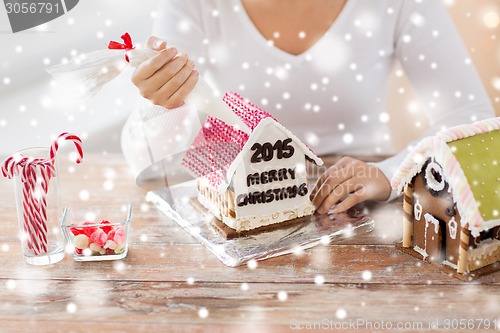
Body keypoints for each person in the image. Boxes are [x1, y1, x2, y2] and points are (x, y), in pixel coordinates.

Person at [121, 0, 494, 214]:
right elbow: (145, 166)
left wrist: (391, 174)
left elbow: (473, 122)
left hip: (359, 207)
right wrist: (163, 104)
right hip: (239, 208)